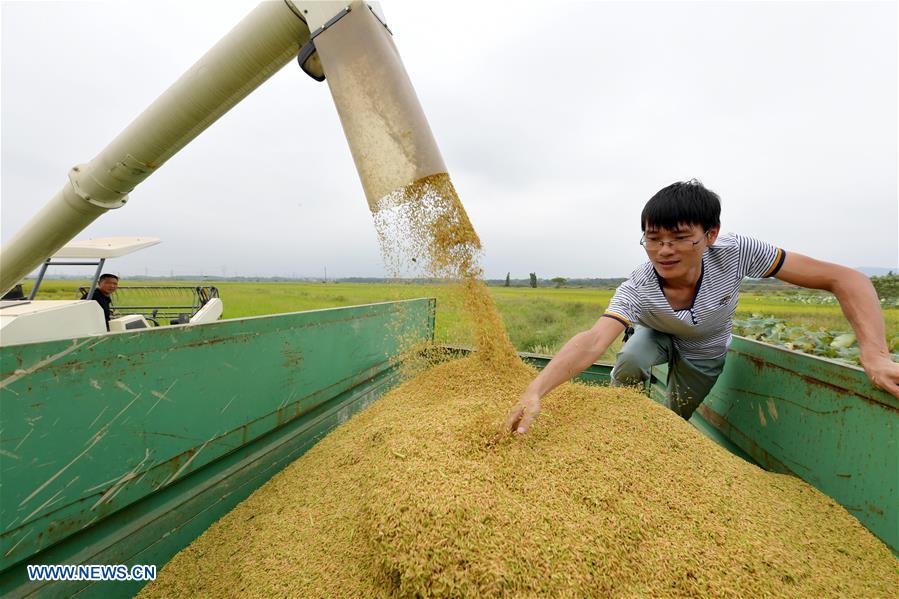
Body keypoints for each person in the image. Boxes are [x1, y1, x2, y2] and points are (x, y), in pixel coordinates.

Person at [506, 180, 899, 433]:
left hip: (706, 349)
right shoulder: (639, 286)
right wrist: (536, 390)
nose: (664, 250)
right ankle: (616, 423)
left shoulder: (738, 252)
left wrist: (875, 354)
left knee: (674, 418)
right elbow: (593, 340)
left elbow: (847, 279)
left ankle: (659, 440)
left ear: (710, 234)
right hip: (657, 333)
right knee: (630, 358)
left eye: (679, 238)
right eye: (652, 238)